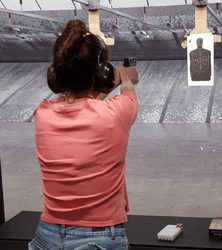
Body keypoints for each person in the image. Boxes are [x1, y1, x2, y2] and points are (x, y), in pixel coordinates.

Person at [28, 19, 139, 250]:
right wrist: (125, 79)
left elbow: (82, 108)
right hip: (99, 240)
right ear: (101, 73)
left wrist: (101, 86)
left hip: (46, 237)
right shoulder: (117, 111)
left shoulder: (43, 113)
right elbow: (126, 92)